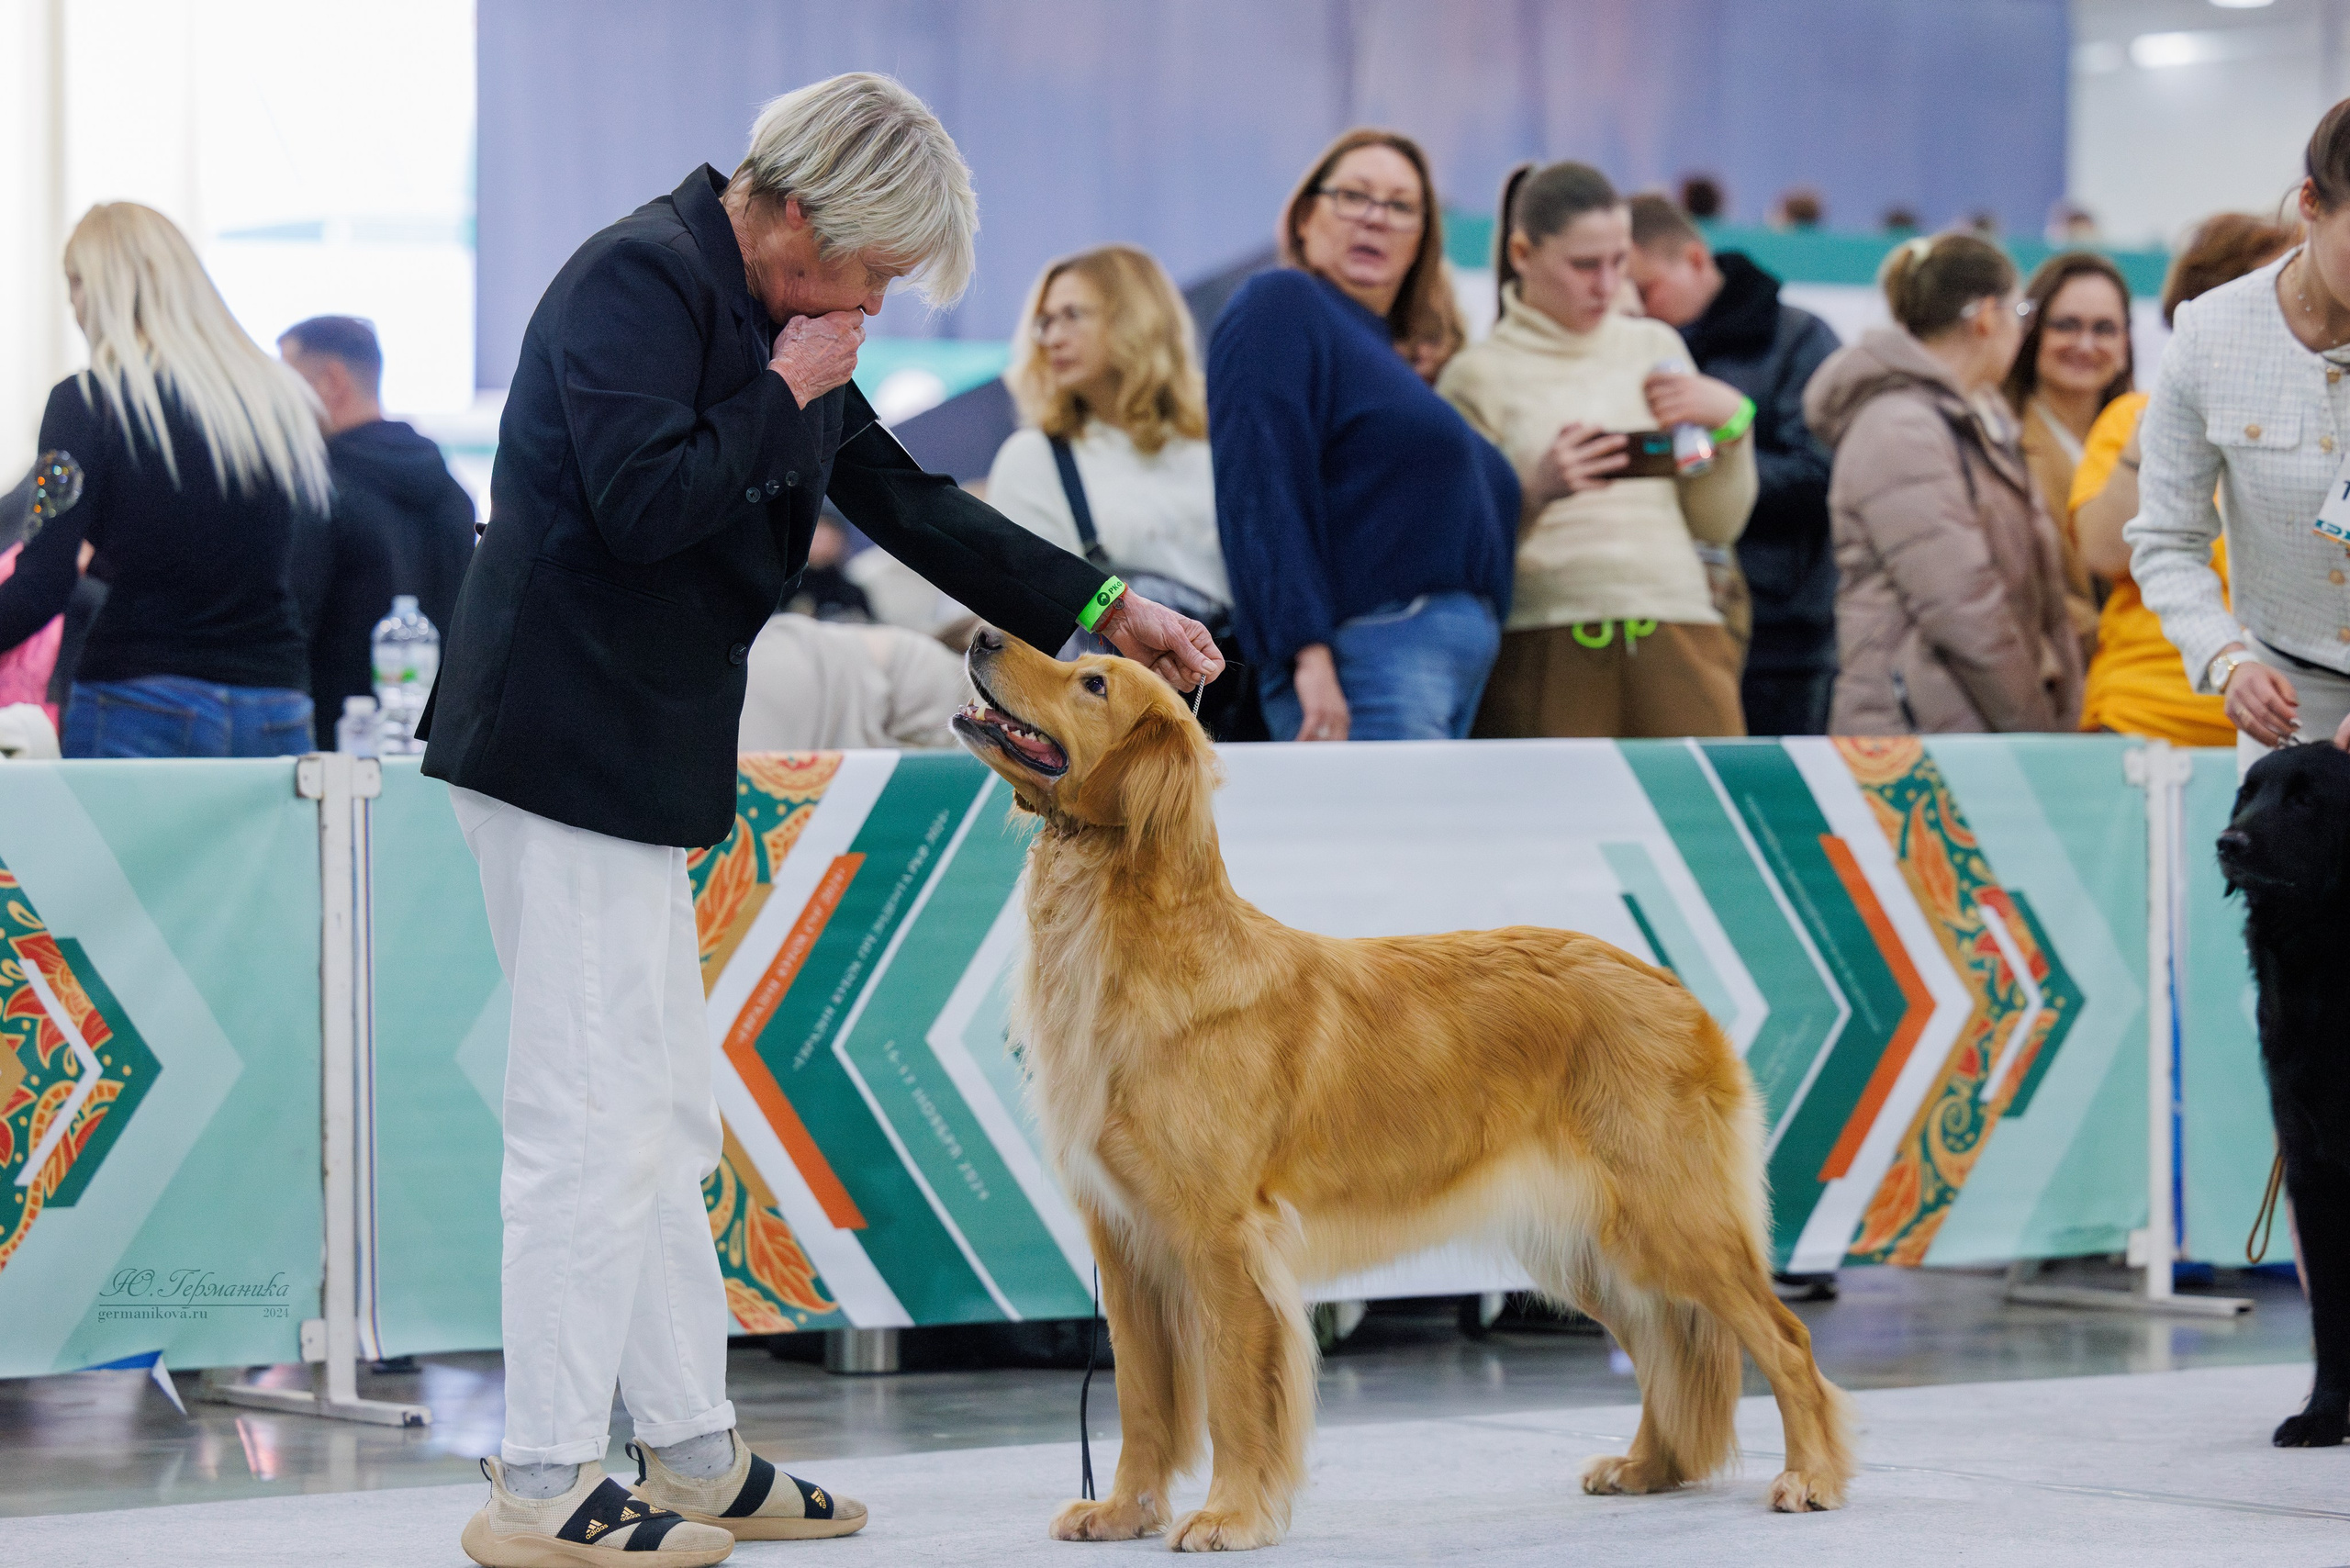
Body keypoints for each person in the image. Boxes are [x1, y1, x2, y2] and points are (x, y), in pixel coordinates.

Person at [418, 73, 1220, 1568]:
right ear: (794, 216)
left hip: (641, 750)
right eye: (878, 268)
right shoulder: (636, 282)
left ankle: (692, 1445)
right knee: (585, 1119)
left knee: (664, 1113)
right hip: (557, 740)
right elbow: (643, 503)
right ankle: (538, 1476)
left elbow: (908, 499)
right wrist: (783, 390)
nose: (884, 302)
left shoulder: (774, 323)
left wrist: (1109, 608)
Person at [1209, 129, 1516, 743]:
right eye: (1354, 196)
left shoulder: (1388, 357)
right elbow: (1261, 485)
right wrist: (1306, 653)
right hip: (1363, 659)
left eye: (1401, 206)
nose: (1376, 218)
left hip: (1437, 665)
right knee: (1391, 839)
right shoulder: (1282, 302)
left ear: (1421, 241)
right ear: (1304, 219)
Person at [1438, 162, 1757, 739]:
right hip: (1543, 642)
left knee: (1704, 827)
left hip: (1680, 629)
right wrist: (1534, 492)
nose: (1607, 286)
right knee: (1555, 829)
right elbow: (1456, 551)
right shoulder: (1476, 377)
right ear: (1521, 252)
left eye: (1619, 262)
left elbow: (1715, 522)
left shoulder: (1657, 346)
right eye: (1585, 265)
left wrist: (1734, 429)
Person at [0, 204, 330, 757]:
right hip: (275, 703)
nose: (71, 302)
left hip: (141, 700)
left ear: (110, 287)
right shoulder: (278, 402)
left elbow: (41, 583)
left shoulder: (87, 402)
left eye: (77, 281)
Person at [2132, 98, 2350, 766]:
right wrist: (2226, 660)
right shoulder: (2210, 334)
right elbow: (2167, 540)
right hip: (2286, 705)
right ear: (2310, 203)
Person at [1806, 234, 2083, 734]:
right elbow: (1961, 604)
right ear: (1985, 317)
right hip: (1917, 736)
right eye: (2018, 310)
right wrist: (2034, 728)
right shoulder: (1900, 427)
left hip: (1968, 723)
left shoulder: (1978, 418)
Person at [986, 243, 1259, 737]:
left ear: (1137, 319)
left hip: (1236, 706)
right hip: (1108, 731)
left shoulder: (1220, 445)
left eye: (1073, 315)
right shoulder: (1035, 457)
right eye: (1044, 322)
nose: (1052, 336)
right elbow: (1026, 629)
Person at [2069, 214, 2297, 745]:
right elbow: (2103, 554)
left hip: (2282, 728)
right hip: (2146, 720)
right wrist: (2161, 422)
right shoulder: (2132, 417)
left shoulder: (2309, 422)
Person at [1628, 194, 1841, 735]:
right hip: (1663, 614)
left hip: (1782, 632)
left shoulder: (1799, 341)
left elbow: (1821, 475)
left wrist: (1719, 452)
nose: (1635, 303)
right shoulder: (1630, 352)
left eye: (1646, 286)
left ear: (1695, 259)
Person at [278, 315, 479, 747]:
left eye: (284, 384)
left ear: (330, 381)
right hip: (437, 750)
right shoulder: (451, 492)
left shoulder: (319, 489)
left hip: (335, 754)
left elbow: (290, 623)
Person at [2002, 252, 2135, 655]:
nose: (2085, 344)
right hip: (2051, 673)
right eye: (2066, 325)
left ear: (2125, 343)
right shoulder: (1997, 439)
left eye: (2104, 329)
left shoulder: (2149, 437)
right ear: (2032, 332)